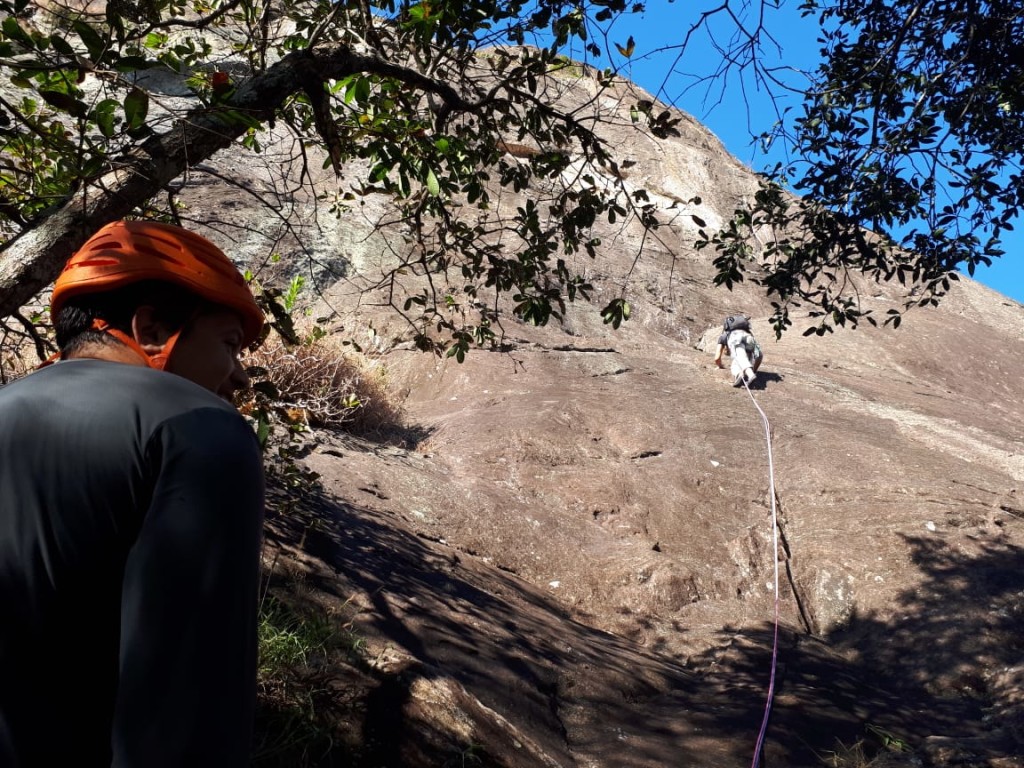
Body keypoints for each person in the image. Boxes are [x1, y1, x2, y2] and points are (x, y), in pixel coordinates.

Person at [0, 220, 267, 767]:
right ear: (149, 330)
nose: (238, 378)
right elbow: (186, 709)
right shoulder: (196, 427)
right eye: (230, 345)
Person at [713, 314, 763, 387]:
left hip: (736, 339)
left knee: (739, 356)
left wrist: (720, 366)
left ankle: (746, 374)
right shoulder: (748, 333)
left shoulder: (724, 335)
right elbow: (759, 356)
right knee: (744, 356)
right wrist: (755, 370)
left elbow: (717, 358)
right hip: (749, 338)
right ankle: (744, 374)